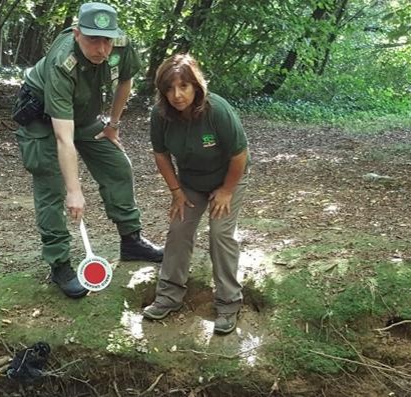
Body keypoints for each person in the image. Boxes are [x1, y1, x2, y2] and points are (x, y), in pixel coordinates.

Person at [13, 2, 163, 299]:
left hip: (84, 115)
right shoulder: (62, 61)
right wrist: (74, 190)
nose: (102, 49)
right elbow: (63, 139)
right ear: (77, 33)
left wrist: (113, 125)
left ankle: (131, 240)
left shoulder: (120, 45)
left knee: (117, 166)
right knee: (52, 187)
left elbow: (126, 80)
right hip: (44, 121)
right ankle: (59, 264)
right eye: (93, 39)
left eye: (107, 39)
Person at [142, 54, 250, 335]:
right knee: (178, 229)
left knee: (220, 232)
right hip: (190, 182)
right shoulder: (161, 115)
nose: (177, 95)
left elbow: (240, 155)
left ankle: (228, 303)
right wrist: (176, 191)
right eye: (169, 89)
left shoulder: (217, 111)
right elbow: (161, 154)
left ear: (196, 87)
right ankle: (168, 295)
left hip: (228, 179)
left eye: (184, 87)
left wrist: (226, 191)